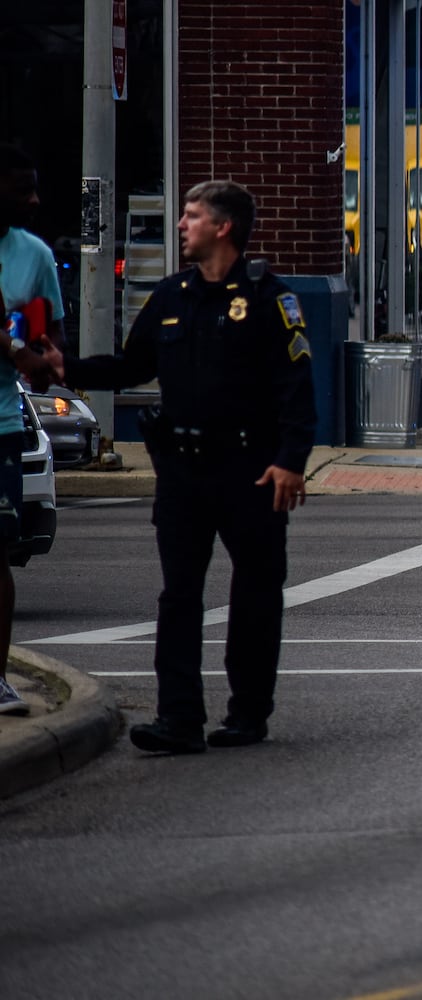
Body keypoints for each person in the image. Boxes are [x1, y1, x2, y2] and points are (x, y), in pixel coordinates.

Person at [56, 180, 316, 753]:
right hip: (183, 473)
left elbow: (296, 386)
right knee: (178, 597)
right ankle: (179, 719)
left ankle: (247, 714)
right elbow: (130, 366)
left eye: (192, 216)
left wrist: (291, 461)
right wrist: (64, 368)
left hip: (250, 470)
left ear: (222, 228)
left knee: (255, 593)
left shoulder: (271, 300)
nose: (181, 224)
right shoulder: (172, 296)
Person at [0, 144, 68, 716]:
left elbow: (46, 339)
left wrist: (42, 355)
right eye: (23, 188)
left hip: (2, 425)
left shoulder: (34, 257)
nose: (35, 200)